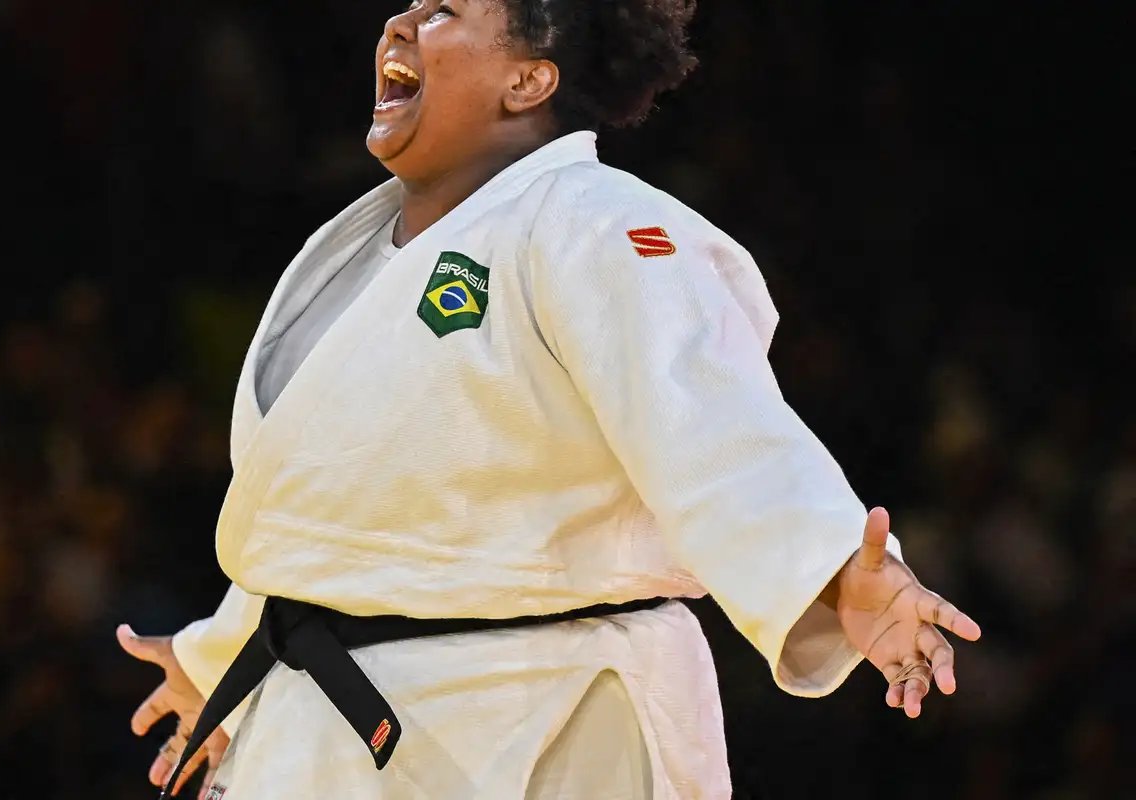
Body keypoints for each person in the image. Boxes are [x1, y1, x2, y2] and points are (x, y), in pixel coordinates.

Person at [117, 1, 982, 797]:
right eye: (408, 4)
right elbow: (340, 520)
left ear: (528, 80)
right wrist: (220, 658)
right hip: (337, 732)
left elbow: (709, 423)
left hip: (550, 722)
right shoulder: (352, 255)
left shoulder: (597, 222)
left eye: (444, 10)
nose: (400, 23)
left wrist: (832, 568)